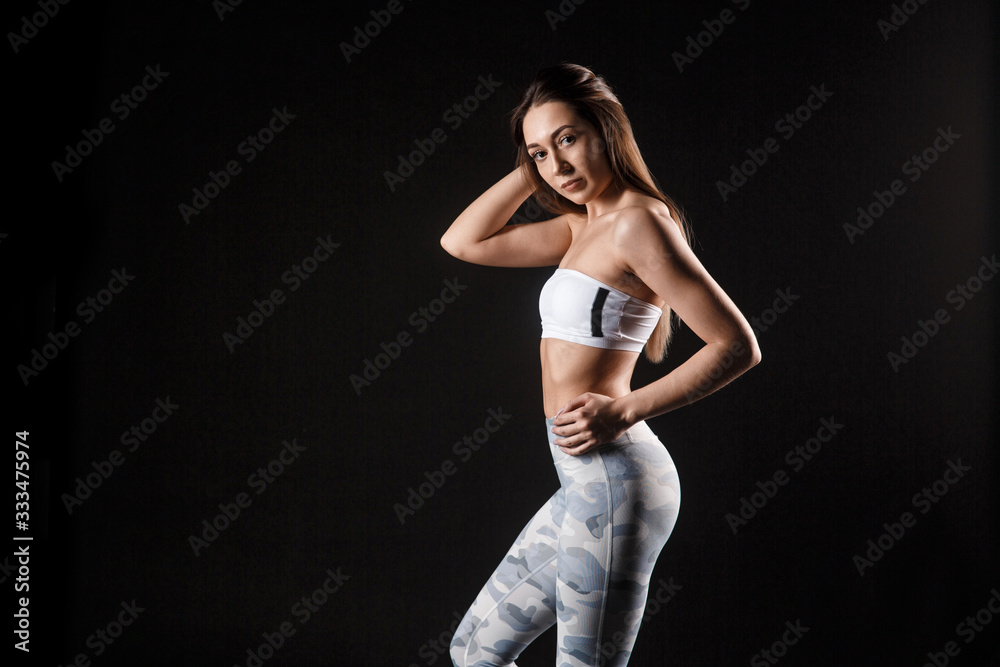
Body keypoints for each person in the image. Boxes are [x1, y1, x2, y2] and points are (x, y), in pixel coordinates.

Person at [440, 63, 761, 667]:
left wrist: (625, 409)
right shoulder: (580, 227)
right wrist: (533, 161)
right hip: (582, 481)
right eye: (539, 153)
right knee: (475, 651)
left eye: (568, 139)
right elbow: (464, 243)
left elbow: (736, 345)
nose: (557, 167)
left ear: (607, 130)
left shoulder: (637, 224)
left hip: (618, 481)